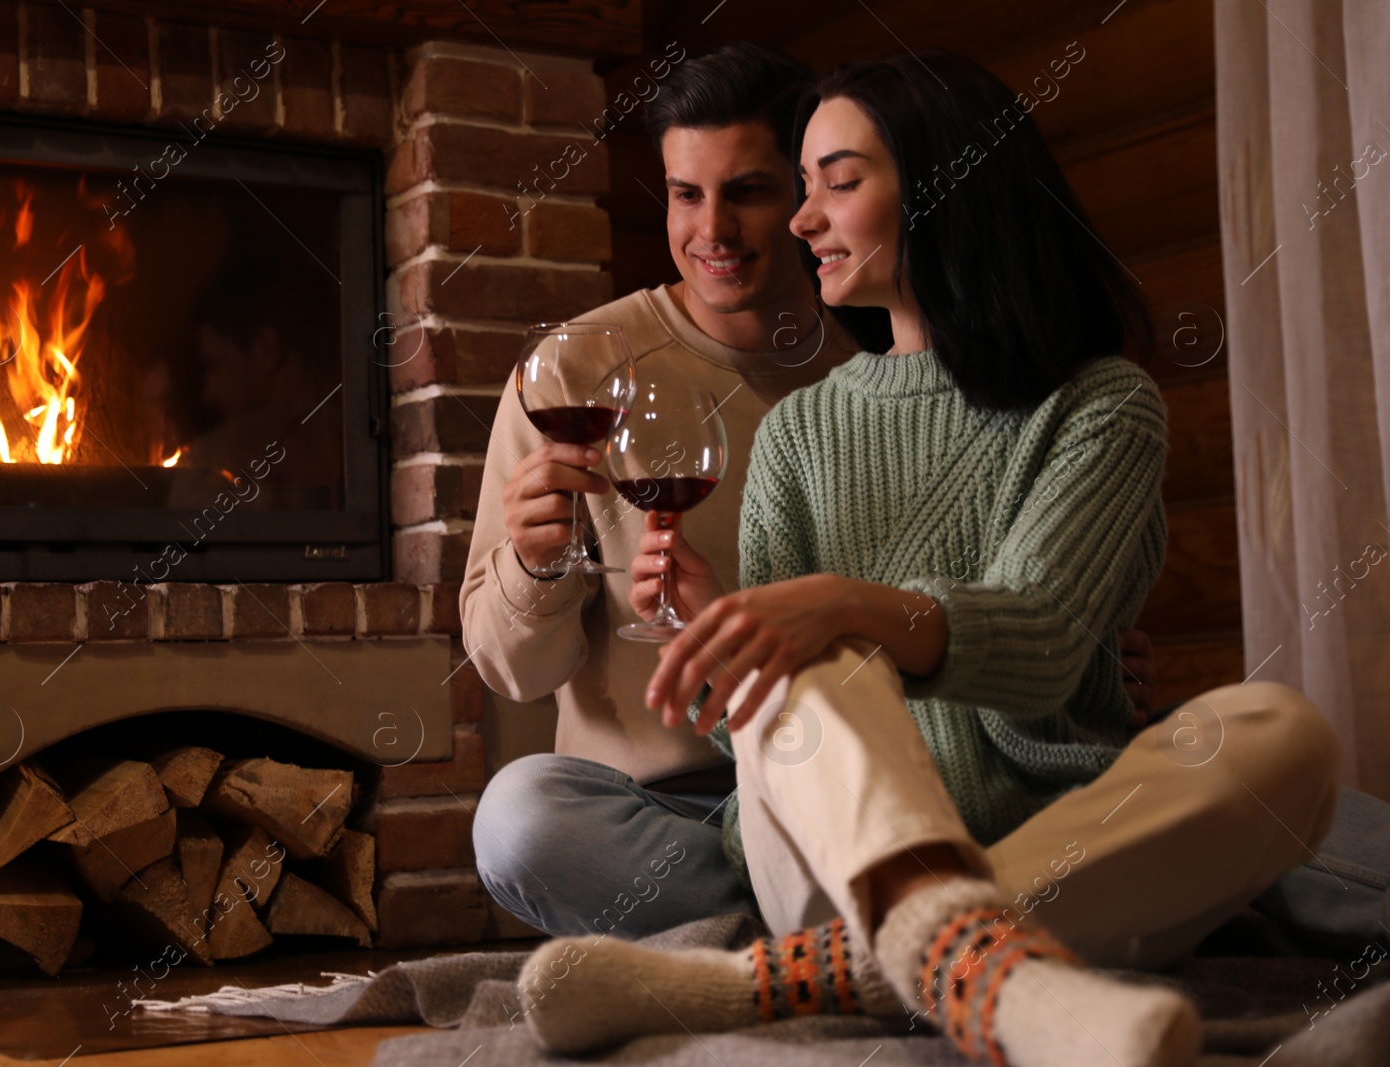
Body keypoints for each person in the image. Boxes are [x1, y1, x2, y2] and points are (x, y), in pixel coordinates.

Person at [513, 51, 1339, 1067]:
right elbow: (762, 750)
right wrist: (724, 626)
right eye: (803, 185)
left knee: (1280, 731)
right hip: (827, 860)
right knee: (794, 675)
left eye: (839, 182)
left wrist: (844, 603)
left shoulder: (1101, 406)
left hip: (1058, 847)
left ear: (948, 183)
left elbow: (1038, 637)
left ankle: (805, 975)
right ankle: (974, 963)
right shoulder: (800, 432)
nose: (803, 220)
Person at [462, 43, 1166, 944]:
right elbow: (516, 670)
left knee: (1254, 759)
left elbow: (1034, 617)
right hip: (702, 803)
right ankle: (900, 941)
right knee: (526, 814)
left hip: (954, 785)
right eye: (684, 194)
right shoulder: (584, 379)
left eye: (755, 189)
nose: (718, 227)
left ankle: (819, 952)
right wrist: (537, 562)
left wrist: (1086, 656)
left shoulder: (896, 370)